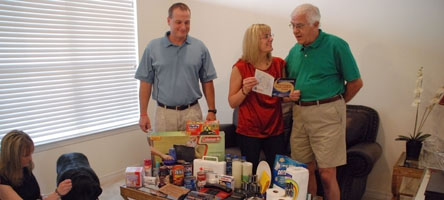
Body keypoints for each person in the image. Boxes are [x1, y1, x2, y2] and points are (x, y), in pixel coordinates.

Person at [286, 4, 363, 200]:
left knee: (327, 174)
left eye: (300, 26)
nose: (295, 31)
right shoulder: (295, 50)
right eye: (292, 25)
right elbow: (285, 82)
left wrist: (335, 104)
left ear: (316, 24)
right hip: (300, 115)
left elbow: (355, 82)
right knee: (303, 171)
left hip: (327, 114)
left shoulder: (336, 45)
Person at [135, 2, 217, 133]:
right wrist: (143, 114)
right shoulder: (153, 47)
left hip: (193, 113)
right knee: (163, 153)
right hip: (164, 114)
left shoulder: (199, 47)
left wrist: (212, 110)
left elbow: (207, 81)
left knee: (194, 152)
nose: (183, 27)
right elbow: (145, 82)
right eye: (178, 22)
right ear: (169, 21)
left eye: (187, 22)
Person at [228, 24, 300, 171]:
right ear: (254, 41)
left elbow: (282, 96)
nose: (271, 39)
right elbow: (232, 102)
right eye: (266, 36)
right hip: (249, 130)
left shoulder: (279, 64)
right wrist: (245, 90)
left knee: (277, 172)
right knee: (251, 174)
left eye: (270, 35)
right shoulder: (241, 67)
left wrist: (290, 96)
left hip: (275, 129)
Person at [0, 130, 72, 200]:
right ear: (13, 157)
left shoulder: (24, 168)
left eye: (31, 154)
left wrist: (57, 193)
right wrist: (56, 194)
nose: (30, 159)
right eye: (26, 155)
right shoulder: (2, 181)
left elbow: (35, 195)